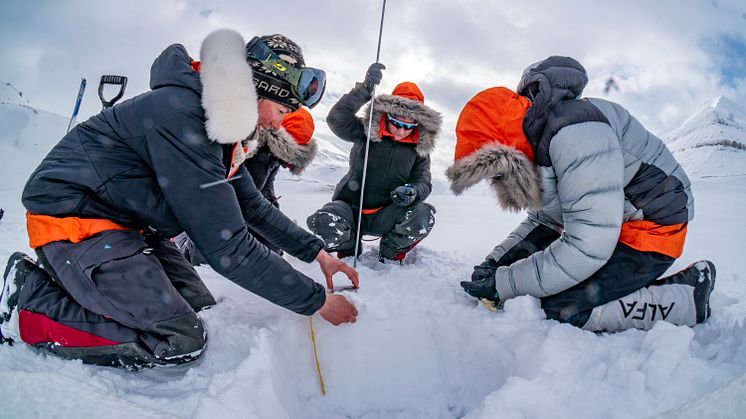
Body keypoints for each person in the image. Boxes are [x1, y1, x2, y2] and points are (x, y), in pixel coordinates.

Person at [0, 29, 358, 369]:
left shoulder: (218, 127)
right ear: (258, 91)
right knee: (180, 338)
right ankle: (28, 303)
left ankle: (90, 285)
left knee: (202, 308)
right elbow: (228, 247)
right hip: (74, 224)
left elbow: (251, 206)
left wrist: (318, 254)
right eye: (281, 111)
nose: (279, 125)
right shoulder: (184, 117)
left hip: (124, 227)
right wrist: (317, 301)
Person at [448, 56, 716, 332]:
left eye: (494, 171)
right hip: (614, 225)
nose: (496, 180)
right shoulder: (541, 146)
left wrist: (503, 284)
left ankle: (686, 298)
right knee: (544, 283)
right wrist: (495, 263)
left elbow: (589, 245)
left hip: (651, 232)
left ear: (505, 150)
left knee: (560, 307)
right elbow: (544, 222)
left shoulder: (576, 135)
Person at [307, 63, 442, 263]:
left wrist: (413, 191)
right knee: (324, 221)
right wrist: (365, 90)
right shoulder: (365, 131)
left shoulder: (419, 151)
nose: (400, 130)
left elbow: (423, 182)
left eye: (408, 126)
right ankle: (348, 248)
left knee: (424, 215)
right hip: (351, 207)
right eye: (396, 122)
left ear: (418, 125)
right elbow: (337, 119)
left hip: (388, 213)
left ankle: (391, 253)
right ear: (387, 113)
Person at [176, 106, 318, 263]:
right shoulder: (254, 152)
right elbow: (235, 199)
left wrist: (273, 218)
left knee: (269, 249)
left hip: (242, 210)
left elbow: (264, 190)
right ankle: (183, 239)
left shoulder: (271, 155)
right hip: (214, 211)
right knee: (209, 254)